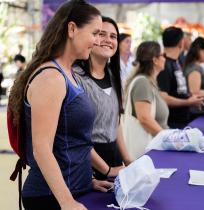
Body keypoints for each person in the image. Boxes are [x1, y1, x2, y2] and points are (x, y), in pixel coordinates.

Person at [9, 1, 120, 210]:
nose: (97, 41)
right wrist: (67, 201)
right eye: (95, 33)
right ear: (71, 29)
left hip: (76, 190)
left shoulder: (70, 75)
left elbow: (75, 142)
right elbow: (42, 149)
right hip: (50, 198)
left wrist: (90, 181)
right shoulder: (51, 77)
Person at [74, 16, 132, 179]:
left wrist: (127, 159)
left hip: (114, 160)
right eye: (101, 34)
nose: (108, 40)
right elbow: (75, 135)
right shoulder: (75, 77)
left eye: (113, 36)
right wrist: (106, 170)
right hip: (86, 164)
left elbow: (115, 122)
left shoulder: (115, 77)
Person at [124, 41, 169, 159]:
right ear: (155, 60)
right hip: (147, 153)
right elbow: (144, 118)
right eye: (162, 55)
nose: (165, 58)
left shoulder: (148, 82)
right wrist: (167, 138)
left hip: (153, 150)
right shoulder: (142, 82)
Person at [157, 26, 204, 129]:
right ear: (181, 43)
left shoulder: (177, 62)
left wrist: (191, 98)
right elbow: (163, 98)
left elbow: (178, 91)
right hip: (171, 124)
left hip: (182, 120)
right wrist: (188, 102)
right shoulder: (164, 65)